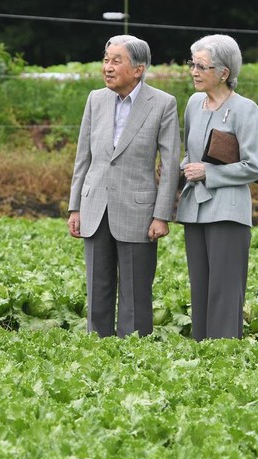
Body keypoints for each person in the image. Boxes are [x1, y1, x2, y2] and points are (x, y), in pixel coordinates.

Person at [67, 34, 181, 338]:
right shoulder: (95, 99)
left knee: (135, 293)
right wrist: (75, 206)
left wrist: (162, 215)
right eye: (106, 60)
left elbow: (170, 165)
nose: (108, 67)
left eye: (117, 61)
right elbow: (83, 157)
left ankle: (133, 356)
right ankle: (98, 349)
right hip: (94, 206)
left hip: (139, 211)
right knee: (97, 289)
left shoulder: (162, 104)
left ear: (138, 69)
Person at [175, 34, 258, 341]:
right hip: (194, 208)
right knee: (199, 288)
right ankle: (202, 355)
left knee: (225, 292)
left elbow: (255, 167)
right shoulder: (192, 104)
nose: (194, 71)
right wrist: (182, 167)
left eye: (201, 66)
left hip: (228, 211)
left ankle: (224, 357)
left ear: (224, 73)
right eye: (192, 64)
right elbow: (191, 153)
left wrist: (208, 172)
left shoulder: (245, 109)